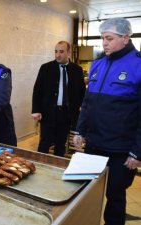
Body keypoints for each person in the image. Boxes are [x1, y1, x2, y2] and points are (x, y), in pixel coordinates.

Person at [73, 17, 141, 225]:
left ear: (125, 38)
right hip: (94, 144)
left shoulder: (138, 65)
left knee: (115, 197)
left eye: (109, 38)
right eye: (102, 38)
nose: (104, 43)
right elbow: (88, 102)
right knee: (86, 193)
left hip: (120, 149)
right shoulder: (98, 64)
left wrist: (138, 151)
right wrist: (79, 130)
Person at [32, 41, 86, 157]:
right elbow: (37, 90)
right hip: (48, 113)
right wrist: (36, 109)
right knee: (44, 143)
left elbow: (82, 93)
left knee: (60, 144)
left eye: (61, 52)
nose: (57, 55)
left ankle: (57, 167)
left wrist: (82, 114)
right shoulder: (46, 68)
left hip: (66, 114)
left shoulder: (77, 70)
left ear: (69, 53)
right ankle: (40, 166)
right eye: (56, 51)